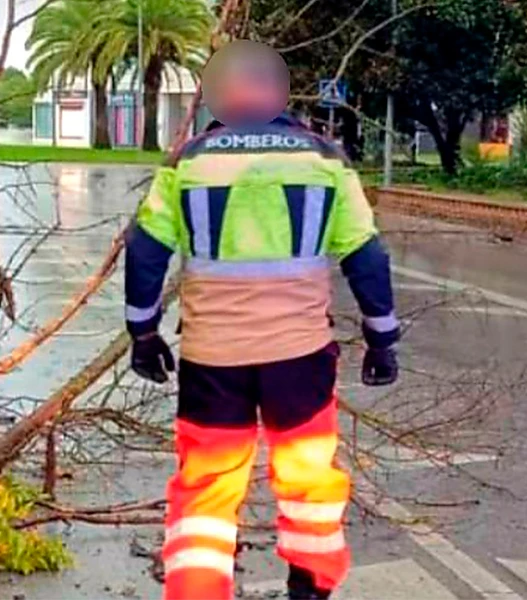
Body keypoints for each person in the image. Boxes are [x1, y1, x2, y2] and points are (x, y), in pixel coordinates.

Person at [124, 41, 399, 600]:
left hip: (212, 360)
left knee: (206, 492)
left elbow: (145, 249)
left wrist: (143, 332)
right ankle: (311, 586)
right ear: (279, 92)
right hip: (299, 358)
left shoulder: (190, 160)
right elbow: (365, 255)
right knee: (307, 479)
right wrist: (382, 337)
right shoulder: (324, 158)